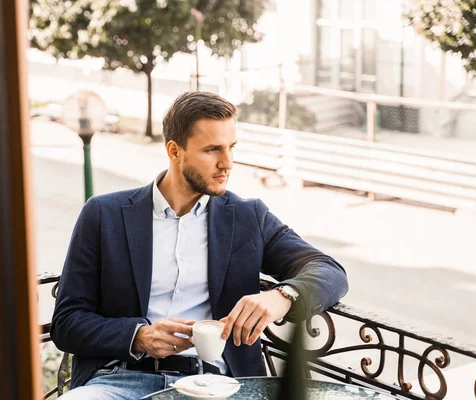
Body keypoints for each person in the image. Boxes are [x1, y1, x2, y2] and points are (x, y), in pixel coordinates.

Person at [51, 91, 349, 399]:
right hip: (119, 382)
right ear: (174, 151)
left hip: (216, 386)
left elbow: (329, 270)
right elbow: (67, 322)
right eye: (212, 150)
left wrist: (283, 296)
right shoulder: (104, 214)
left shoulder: (248, 217)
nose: (227, 163)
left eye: (231, 147)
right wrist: (138, 337)